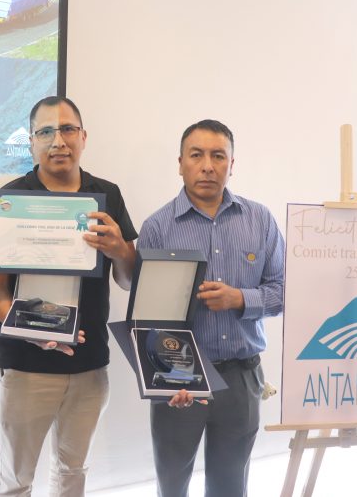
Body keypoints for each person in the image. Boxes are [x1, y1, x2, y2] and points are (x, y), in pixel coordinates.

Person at [0, 96, 138, 497]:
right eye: (45, 131)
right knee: (15, 480)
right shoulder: (11, 199)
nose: (58, 140)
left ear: (83, 137)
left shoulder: (107, 195)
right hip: (25, 365)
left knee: (72, 473)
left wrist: (120, 249)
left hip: (89, 366)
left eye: (67, 129)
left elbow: (128, 279)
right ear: (31, 142)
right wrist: (24, 327)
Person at [137, 120, 285, 497]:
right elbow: (148, 317)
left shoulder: (260, 220)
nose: (207, 166)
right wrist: (166, 377)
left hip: (241, 376)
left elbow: (284, 291)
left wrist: (240, 299)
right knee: (172, 483)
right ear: (180, 163)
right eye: (196, 155)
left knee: (230, 486)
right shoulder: (157, 228)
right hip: (179, 376)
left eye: (218, 156)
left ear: (231, 164)